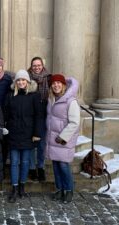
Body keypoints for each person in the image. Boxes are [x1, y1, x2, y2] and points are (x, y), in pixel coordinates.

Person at [5, 70, 42, 203]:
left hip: (28, 134)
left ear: (27, 82)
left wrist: (37, 133)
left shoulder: (34, 96)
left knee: (25, 162)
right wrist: (5, 130)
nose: (21, 82)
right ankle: (14, 188)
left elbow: (38, 116)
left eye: (23, 80)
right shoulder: (10, 96)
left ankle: (22, 186)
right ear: (15, 82)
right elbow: (6, 114)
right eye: (18, 80)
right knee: (14, 162)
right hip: (13, 133)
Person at [46, 74, 80, 204]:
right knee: (56, 165)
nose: (56, 85)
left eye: (59, 83)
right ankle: (60, 190)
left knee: (63, 165)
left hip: (63, 139)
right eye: (53, 84)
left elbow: (75, 123)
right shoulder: (52, 99)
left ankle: (69, 190)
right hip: (54, 138)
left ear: (64, 85)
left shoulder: (71, 101)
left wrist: (63, 137)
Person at [27, 56, 51, 182]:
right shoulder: (27, 78)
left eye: (38, 65)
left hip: (45, 113)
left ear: (42, 65)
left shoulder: (49, 78)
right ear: (31, 66)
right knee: (31, 143)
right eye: (34, 65)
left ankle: (40, 167)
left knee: (42, 144)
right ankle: (31, 168)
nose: (36, 67)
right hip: (31, 114)